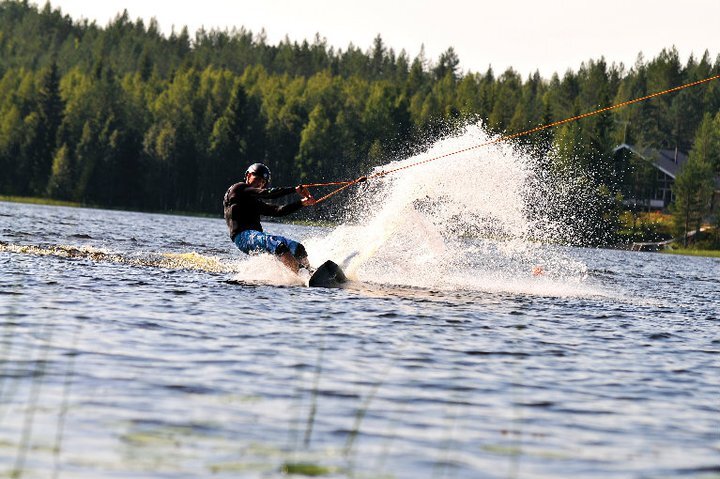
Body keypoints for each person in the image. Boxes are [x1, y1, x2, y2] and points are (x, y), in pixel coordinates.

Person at [223, 163, 316, 273]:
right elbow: (266, 193)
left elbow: (278, 211)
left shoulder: (255, 202)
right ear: (248, 176)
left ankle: (310, 272)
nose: (260, 184)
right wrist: (294, 190)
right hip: (243, 237)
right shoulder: (238, 189)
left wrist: (302, 203)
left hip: (257, 237)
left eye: (263, 182)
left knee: (297, 248)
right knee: (279, 246)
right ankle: (296, 277)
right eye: (257, 179)